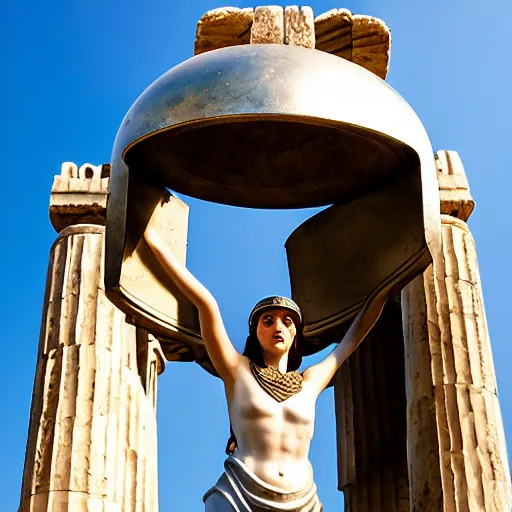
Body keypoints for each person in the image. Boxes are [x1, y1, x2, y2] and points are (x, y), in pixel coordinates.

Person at [144, 225, 392, 511]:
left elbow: (353, 336)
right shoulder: (237, 370)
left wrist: (387, 280)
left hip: (303, 500)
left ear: (295, 335)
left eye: (288, 322)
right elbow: (205, 303)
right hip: (239, 494)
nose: (278, 327)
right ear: (255, 332)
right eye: (268, 320)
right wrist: (151, 237)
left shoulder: (309, 381)